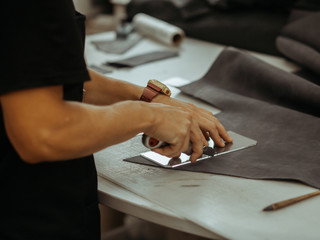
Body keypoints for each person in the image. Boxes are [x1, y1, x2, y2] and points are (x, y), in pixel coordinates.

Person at [0, 1, 232, 239]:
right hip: (28, 216)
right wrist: (149, 116)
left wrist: (148, 98)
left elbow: (40, 72)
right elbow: (46, 131)